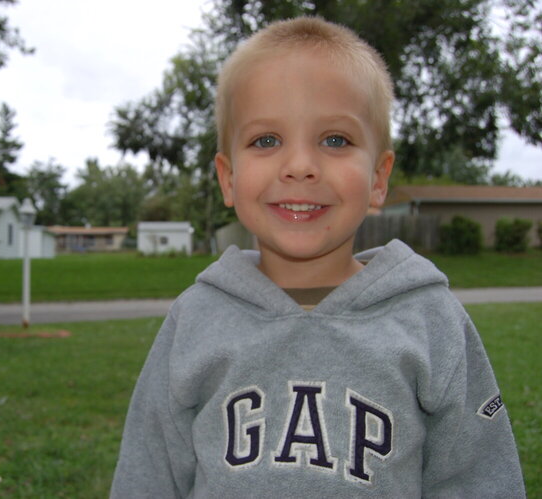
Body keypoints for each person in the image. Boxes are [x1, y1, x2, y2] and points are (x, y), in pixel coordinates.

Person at [111, 17, 525, 498]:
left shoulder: (432, 321)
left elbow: (479, 478)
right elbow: (147, 477)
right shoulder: (195, 320)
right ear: (228, 178)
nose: (301, 167)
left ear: (377, 177)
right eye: (266, 140)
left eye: (335, 140)